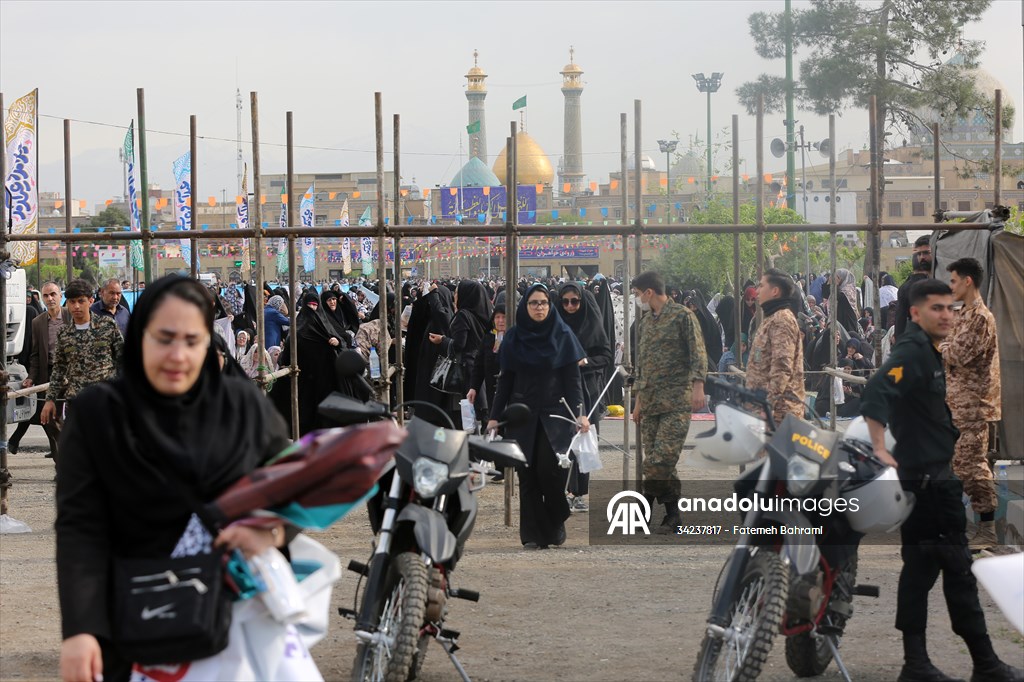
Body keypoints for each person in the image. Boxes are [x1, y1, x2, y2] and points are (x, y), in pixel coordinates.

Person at [55, 275, 291, 682]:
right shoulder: (99, 413)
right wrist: (81, 629)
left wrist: (272, 534)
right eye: (164, 338)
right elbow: (80, 526)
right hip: (131, 625)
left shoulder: (241, 406)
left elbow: (294, 485)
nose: (178, 355)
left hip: (232, 620)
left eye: (192, 340)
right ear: (139, 337)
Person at [860, 279, 1022, 682]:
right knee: (958, 572)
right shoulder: (912, 353)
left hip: (926, 481)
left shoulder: (929, 352)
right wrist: (880, 447)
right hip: (931, 486)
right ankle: (984, 664)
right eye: (937, 308)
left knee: (918, 571)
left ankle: (916, 664)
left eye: (951, 308)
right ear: (915, 313)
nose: (947, 315)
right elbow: (878, 390)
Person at [486, 284, 589, 549]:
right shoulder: (513, 338)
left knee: (549, 472)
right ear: (525, 307)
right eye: (534, 303)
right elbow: (505, 381)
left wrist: (580, 415)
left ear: (549, 305)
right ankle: (532, 534)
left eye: (543, 303)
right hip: (521, 415)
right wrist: (495, 417)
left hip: (555, 415)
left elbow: (573, 382)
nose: (539, 308)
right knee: (527, 475)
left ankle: (556, 522)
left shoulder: (563, 336)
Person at [631, 271, 707, 529]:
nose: (637, 298)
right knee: (659, 460)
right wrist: (638, 400)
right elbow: (642, 363)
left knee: (661, 458)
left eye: (638, 293)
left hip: (676, 399)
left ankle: (644, 503)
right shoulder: (645, 322)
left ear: (649, 292)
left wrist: (698, 385)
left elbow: (698, 352)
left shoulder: (682, 316)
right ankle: (673, 513)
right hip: (651, 401)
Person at [941, 258, 1002, 552]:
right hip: (957, 402)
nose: (950, 286)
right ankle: (971, 528)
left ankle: (987, 530)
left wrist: (940, 347)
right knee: (960, 464)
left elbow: (958, 354)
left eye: (953, 280)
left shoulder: (979, 316)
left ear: (967, 281)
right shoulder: (962, 313)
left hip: (974, 404)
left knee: (973, 466)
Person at [557, 281, 613, 512]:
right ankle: (563, 490)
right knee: (563, 441)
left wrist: (585, 361)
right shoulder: (556, 325)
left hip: (587, 389)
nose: (570, 306)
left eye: (575, 301)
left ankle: (579, 492)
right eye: (566, 301)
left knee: (585, 441)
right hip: (561, 390)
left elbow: (605, 355)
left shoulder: (592, 325)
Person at [41, 279, 123, 429]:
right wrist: (50, 399)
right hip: (76, 403)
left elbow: (123, 361)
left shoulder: (107, 326)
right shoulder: (64, 334)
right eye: (72, 302)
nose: (76, 306)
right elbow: (59, 369)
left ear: (91, 301)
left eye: (81, 301)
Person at [9, 282, 70, 459]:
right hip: (49, 375)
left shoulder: (71, 317)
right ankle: (62, 464)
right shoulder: (38, 322)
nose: (50, 299)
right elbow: (35, 355)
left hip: (73, 374)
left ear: (60, 296)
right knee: (49, 420)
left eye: (53, 294)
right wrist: (31, 377)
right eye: (46, 296)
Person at [743, 269, 806, 424]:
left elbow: (782, 367)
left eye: (761, 286)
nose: (756, 291)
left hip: (779, 414)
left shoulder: (782, 320)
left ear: (775, 291)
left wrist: (768, 404)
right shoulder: (771, 319)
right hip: (764, 412)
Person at [429, 279, 492, 424]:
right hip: (482, 363)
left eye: (457, 293)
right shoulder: (487, 313)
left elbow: (459, 344)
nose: (455, 297)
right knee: (482, 406)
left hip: (467, 366)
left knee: (468, 407)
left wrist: (442, 340)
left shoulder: (463, 315)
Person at [467, 304, 505, 424]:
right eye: (497, 317)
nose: (500, 321)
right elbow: (479, 365)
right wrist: (474, 387)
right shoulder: (489, 338)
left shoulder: (516, 338)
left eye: (504, 317)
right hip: (492, 389)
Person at [894, 235, 932, 339]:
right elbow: (900, 321)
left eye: (926, 253)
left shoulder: (942, 278)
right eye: (919, 254)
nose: (922, 257)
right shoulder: (911, 286)